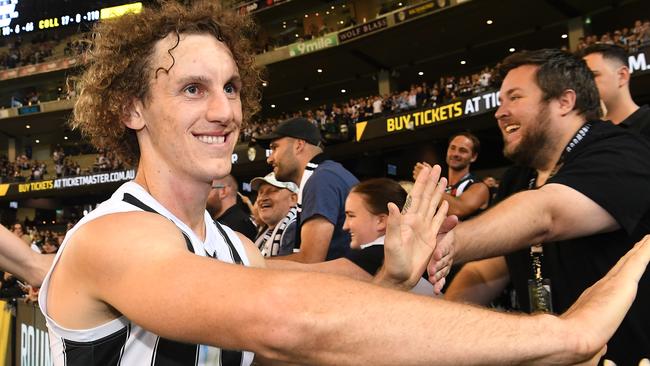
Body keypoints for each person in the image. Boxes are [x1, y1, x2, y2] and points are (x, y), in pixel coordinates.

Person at [37, 3, 650, 365]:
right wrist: (564, 334)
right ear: (130, 110)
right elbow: (287, 319)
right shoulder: (113, 238)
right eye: (192, 89)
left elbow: (308, 335)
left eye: (231, 87)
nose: (225, 112)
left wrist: (393, 275)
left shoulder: (234, 249)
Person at [436, 49, 650, 364]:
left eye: (514, 98)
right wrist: (439, 328)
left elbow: (547, 215)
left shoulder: (623, 151)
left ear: (564, 101)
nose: (500, 112)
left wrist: (439, 244)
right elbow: (490, 267)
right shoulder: (518, 177)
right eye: (500, 102)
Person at [261, 117, 359, 263]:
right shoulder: (326, 173)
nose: (269, 159)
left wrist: (252, 264)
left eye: (275, 148)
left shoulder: (322, 179)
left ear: (299, 145)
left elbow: (310, 261)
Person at [413, 131, 490, 219]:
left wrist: (430, 182)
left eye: (463, 150)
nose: (455, 154)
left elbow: (458, 210)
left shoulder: (480, 188)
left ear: (473, 157)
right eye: (452, 148)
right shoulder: (441, 187)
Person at [580, 43, 650, 137]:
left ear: (622, 76)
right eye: (582, 78)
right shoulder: (585, 132)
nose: (584, 83)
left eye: (593, 75)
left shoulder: (646, 123)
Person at [250, 172, 299, 257]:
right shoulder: (264, 231)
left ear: (293, 199)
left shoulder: (295, 228)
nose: (262, 198)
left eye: (272, 191)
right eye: (260, 193)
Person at [207, 174, 258, 241]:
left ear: (223, 191)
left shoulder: (238, 227)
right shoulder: (219, 223)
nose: (203, 195)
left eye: (208, 189)